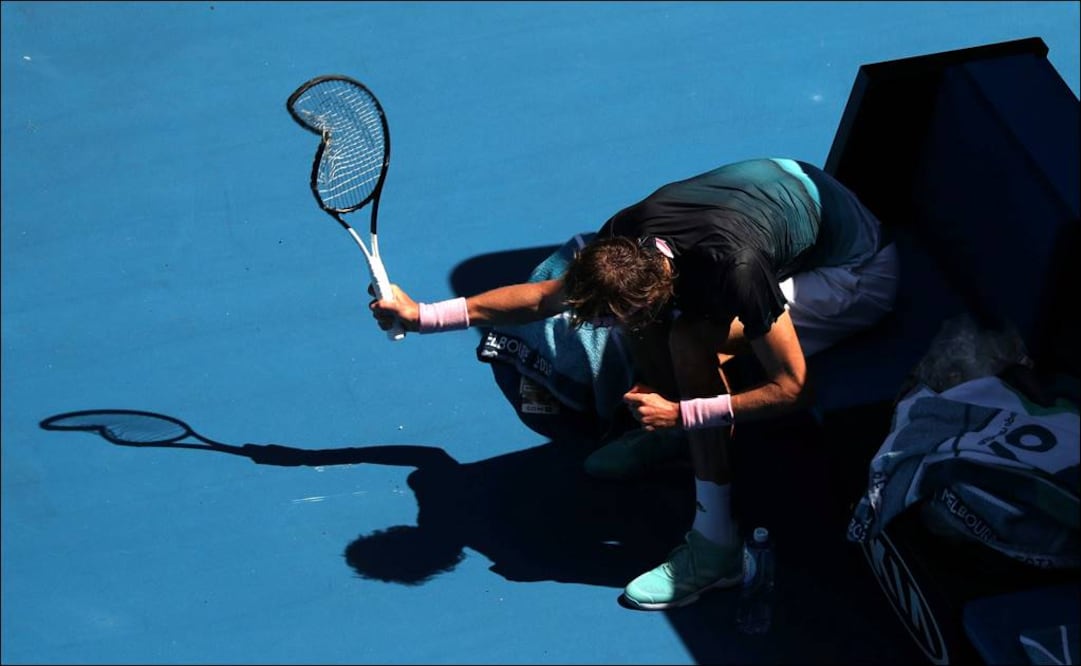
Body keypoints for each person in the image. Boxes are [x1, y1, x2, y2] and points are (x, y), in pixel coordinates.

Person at [370, 157, 899, 610]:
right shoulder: (626, 235)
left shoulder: (736, 268)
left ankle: (715, 548)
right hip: (785, 197)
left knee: (689, 340)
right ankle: (677, 441)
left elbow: (793, 388)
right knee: (650, 328)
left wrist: (682, 411)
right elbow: (544, 298)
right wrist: (422, 316)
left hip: (856, 268)